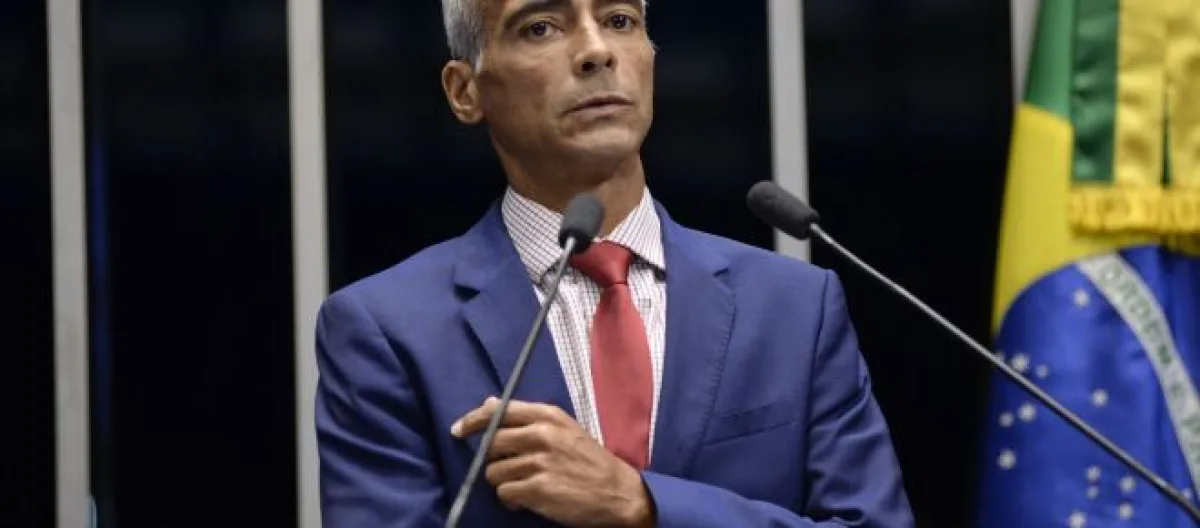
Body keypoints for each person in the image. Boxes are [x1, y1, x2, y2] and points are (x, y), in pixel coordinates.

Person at [314, 0, 914, 526]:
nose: (597, 51)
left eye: (620, 20)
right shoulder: (387, 330)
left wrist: (644, 505)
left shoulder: (794, 309)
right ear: (464, 90)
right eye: (541, 28)